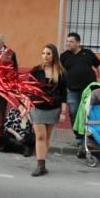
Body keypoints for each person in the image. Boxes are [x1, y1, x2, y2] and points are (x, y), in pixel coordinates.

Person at [27, 43, 67, 176]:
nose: (45, 56)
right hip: (37, 107)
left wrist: (63, 112)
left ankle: (43, 164)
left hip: (53, 108)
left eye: (48, 53)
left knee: (47, 137)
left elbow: (63, 94)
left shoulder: (60, 72)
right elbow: (28, 90)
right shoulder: (35, 70)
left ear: (54, 55)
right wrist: (25, 106)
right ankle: (40, 165)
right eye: (43, 53)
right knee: (40, 136)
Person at [60, 32, 100, 145]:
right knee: (74, 113)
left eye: (71, 41)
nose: (68, 43)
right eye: (67, 41)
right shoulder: (64, 56)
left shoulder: (88, 53)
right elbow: (60, 72)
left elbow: (99, 64)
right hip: (72, 90)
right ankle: (79, 138)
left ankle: (91, 136)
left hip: (89, 90)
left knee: (89, 113)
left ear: (78, 42)